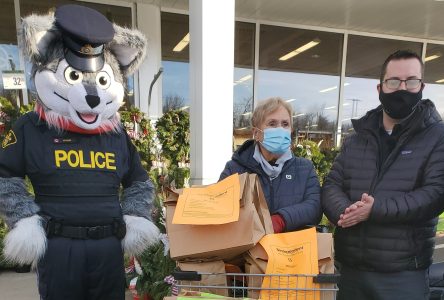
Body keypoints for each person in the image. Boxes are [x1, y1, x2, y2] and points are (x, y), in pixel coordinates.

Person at [322, 49, 444, 300]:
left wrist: (374, 209)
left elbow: (435, 194)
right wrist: (344, 212)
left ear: (422, 86)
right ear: (380, 88)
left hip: (402, 275)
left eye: (410, 81)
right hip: (352, 272)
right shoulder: (358, 138)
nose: (402, 89)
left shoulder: (437, 137)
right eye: (393, 82)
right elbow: (332, 183)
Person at [220, 97, 321, 233]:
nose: (280, 130)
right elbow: (220, 207)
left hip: (291, 250)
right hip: (249, 249)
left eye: (285, 124)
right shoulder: (235, 169)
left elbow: (314, 207)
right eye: (272, 124)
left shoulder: (304, 169)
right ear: (256, 133)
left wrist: (281, 219)